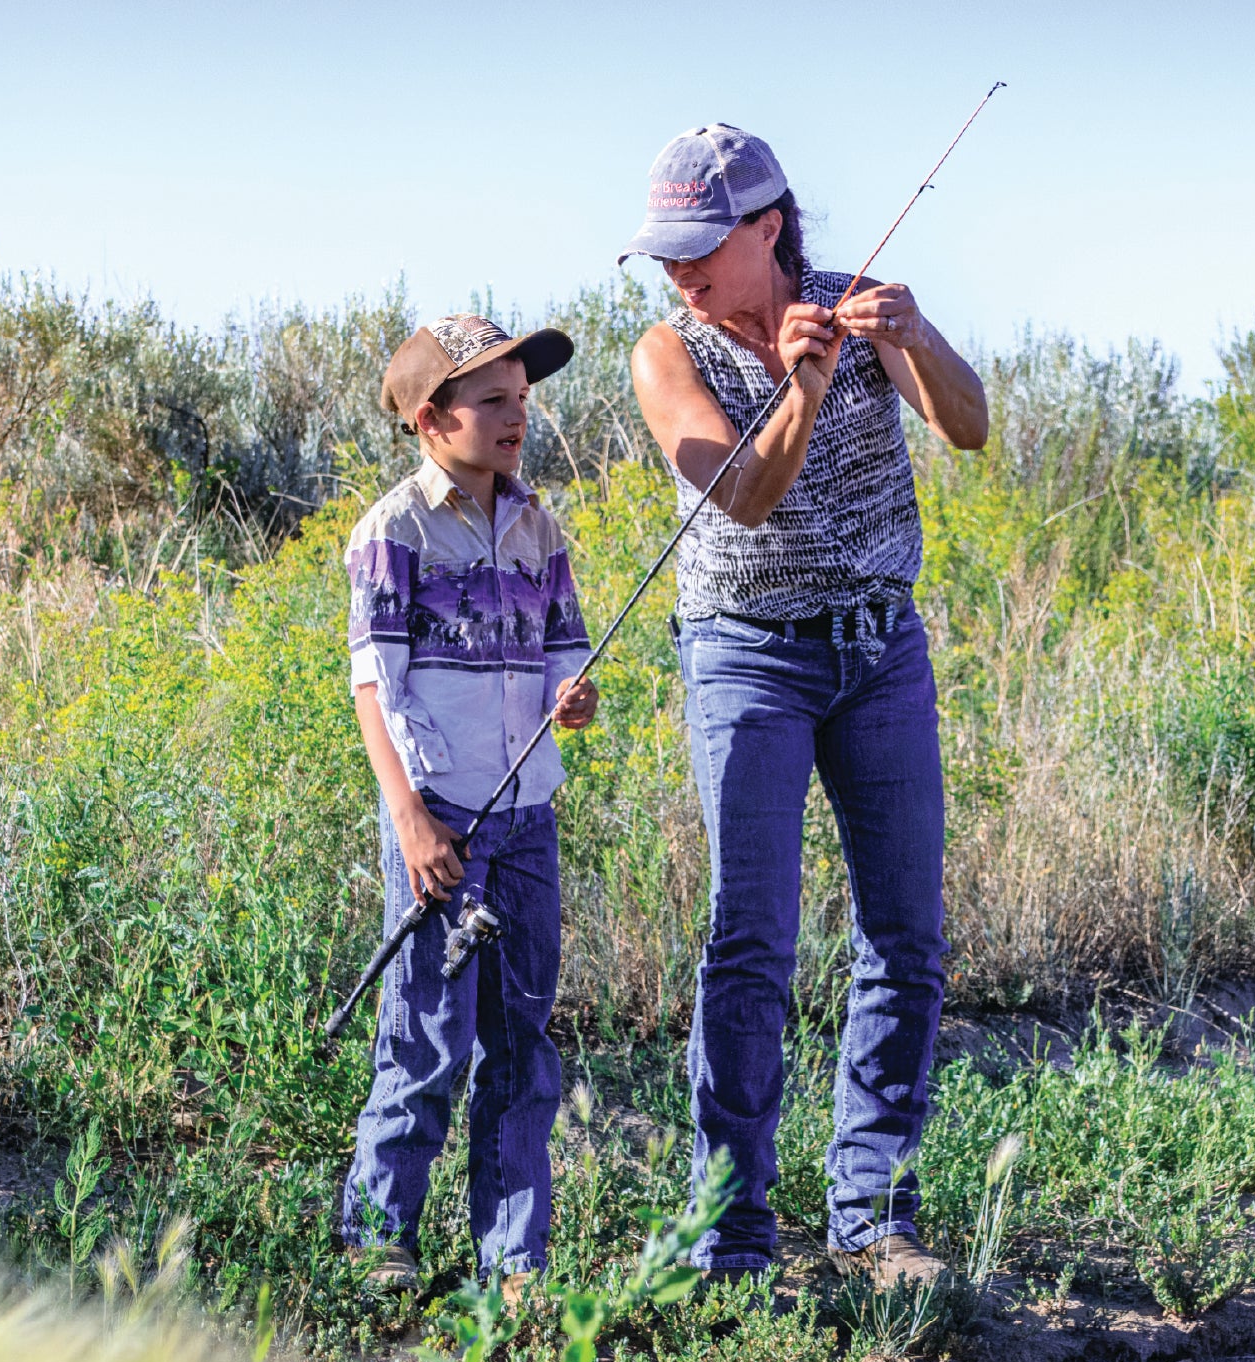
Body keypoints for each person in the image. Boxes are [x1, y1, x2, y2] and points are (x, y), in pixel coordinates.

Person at [622, 124, 987, 1287]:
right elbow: (745, 493)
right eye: (666, 252)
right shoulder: (662, 354)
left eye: (700, 247)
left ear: (767, 227)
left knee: (906, 938)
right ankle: (729, 1233)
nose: (680, 272)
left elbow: (968, 426)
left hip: (879, 651)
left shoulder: (855, 306)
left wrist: (911, 333)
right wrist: (807, 383)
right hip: (745, 658)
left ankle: (874, 1217)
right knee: (750, 943)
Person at [340, 314, 598, 1294]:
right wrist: (408, 820)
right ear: (428, 418)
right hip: (439, 819)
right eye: (491, 399)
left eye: (522, 400)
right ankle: (377, 1244)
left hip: (527, 819)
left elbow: (568, 662)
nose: (514, 416)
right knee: (424, 1040)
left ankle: (515, 1259)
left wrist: (575, 701)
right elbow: (376, 686)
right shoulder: (393, 532)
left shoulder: (540, 528)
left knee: (523, 1046)